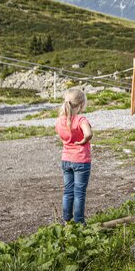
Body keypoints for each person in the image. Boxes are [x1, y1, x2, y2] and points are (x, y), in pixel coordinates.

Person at [55, 87, 92, 224]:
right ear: (81, 104)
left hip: (66, 159)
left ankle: (66, 221)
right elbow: (88, 133)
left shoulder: (60, 120)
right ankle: (79, 222)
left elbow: (61, 136)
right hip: (81, 160)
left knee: (68, 192)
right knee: (79, 193)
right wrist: (84, 140)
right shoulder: (81, 119)